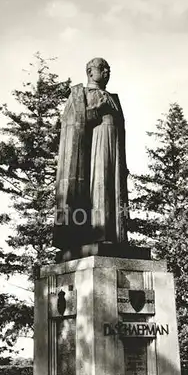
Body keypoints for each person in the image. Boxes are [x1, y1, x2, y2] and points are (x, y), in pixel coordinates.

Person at [53, 58, 129, 249]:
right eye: (102, 68)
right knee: (100, 186)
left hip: (115, 153)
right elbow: (74, 124)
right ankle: (99, 232)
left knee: (114, 189)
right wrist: (96, 109)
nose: (106, 72)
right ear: (89, 72)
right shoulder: (79, 95)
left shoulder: (113, 97)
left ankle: (115, 235)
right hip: (97, 148)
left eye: (108, 69)